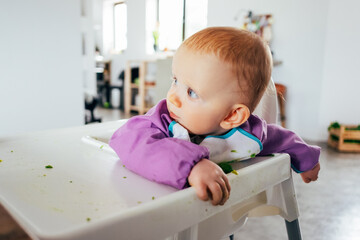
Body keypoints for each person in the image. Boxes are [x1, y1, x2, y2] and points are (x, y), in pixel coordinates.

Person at [109, 27, 320, 206]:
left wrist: (306, 158)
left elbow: (283, 139)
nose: (173, 96)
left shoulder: (250, 136)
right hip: (156, 212)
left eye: (192, 92)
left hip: (214, 214)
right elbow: (127, 139)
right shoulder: (163, 120)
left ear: (233, 115)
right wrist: (191, 165)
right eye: (175, 80)